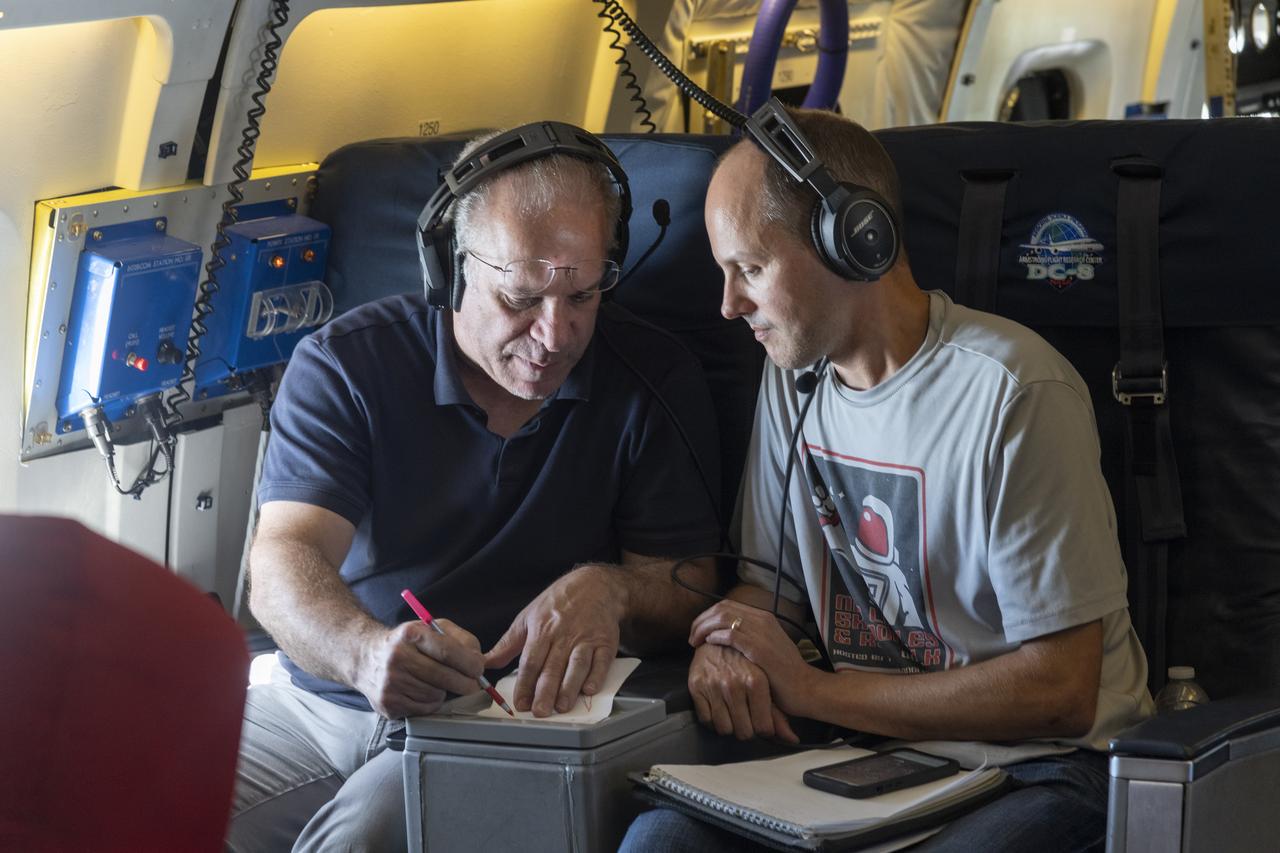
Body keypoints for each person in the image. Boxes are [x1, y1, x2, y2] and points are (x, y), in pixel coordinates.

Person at [622, 106, 1152, 852]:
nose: (728, 305)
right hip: (867, 761)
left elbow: (1061, 691)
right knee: (659, 841)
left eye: (749, 269)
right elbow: (772, 590)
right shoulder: (794, 379)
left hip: (1044, 767)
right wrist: (727, 643)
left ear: (854, 240)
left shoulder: (1013, 392)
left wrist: (812, 691)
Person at [227, 123, 720, 852]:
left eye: (583, 295)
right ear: (451, 269)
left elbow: (690, 587)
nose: (555, 334)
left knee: (367, 833)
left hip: (502, 719)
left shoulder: (653, 378)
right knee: (129, 806)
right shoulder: (344, 366)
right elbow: (280, 563)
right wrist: (366, 654)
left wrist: (613, 589)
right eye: (522, 297)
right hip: (320, 702)